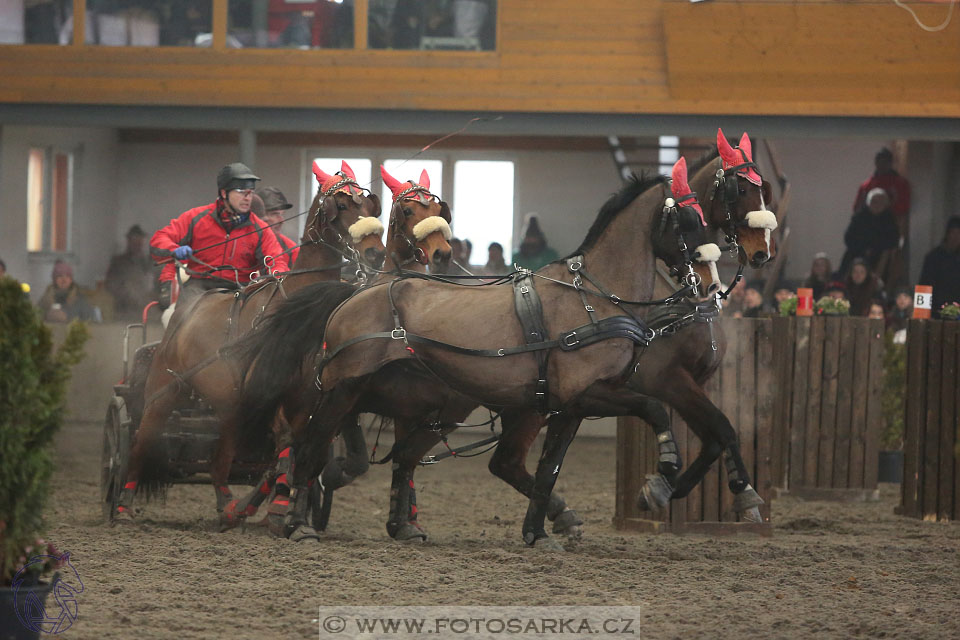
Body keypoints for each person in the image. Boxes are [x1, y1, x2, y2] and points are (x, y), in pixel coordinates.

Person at [150, 162, 289, 309]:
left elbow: (276, 260)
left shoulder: (261, 230)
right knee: (180, 317)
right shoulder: (195, 218)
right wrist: (173, 250)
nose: (248, 197)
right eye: (241, 191)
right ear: (224, 193)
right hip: (199, 288)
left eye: (251, 192)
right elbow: (159, 239)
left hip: (239, 290)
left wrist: (277, 273)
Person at [853, 147, 911, 236]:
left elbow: (904, 207)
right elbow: (857, 208)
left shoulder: (900, 184)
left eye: (885, 162)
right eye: (879, 161)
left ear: (891, 163)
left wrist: (886, 212)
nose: (882, 165)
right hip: (868, 230)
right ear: (875, 163)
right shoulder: (866, 186)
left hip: (890, 228)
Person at [105, 224, 156, 320]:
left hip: (147, 313)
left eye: (140, 240)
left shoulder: (149, 262)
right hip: (124, 312)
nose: (137, 243)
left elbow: (156, 285)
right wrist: (128, 291)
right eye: (134, 240)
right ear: (128, 241)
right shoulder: (119, 262)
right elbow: (110, 285)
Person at [919, 216, 960, 318]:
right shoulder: (933, 258)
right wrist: (922, 315)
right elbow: (924, 286)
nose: (955, 237)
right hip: (936, 314)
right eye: (953, 233)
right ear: (947, 234)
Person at [255, 186, 299, 267]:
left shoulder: (292, 250)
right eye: (275, 214)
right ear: (258, 216)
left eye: (282, 214)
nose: (282, 221)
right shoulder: (239, 242)